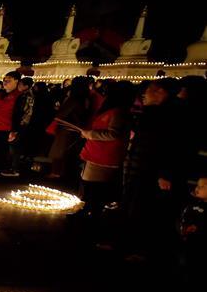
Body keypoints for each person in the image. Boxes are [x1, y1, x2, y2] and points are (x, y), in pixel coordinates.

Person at [121, 78, 180, 259]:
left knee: (142, 207)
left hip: (150, 170)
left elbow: (170, 147)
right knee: (133, 204)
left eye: (147, 91)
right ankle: (127, 244)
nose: (143, 96)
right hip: (140, 166)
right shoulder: (153, 113)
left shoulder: (168, 115)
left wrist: (164, 173)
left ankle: (139, 249)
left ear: (161, 92)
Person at [76, 81, 134, 226]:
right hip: (96, 153)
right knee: (90, 186)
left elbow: (113, 134)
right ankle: (88, 212)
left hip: (104, 156)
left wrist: (90, 133)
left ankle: (91, 216)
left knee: (95, 188)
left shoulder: (119, 112)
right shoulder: (113, 110)